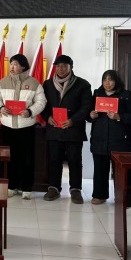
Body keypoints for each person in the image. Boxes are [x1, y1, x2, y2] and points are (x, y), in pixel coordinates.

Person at [0, 54, 46, 200]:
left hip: (26, 127)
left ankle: (27, 188)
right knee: (11, 158)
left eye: (15, 64)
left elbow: (41, 102)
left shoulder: (34, 83)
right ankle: (12, 186)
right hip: (7, 126)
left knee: (27, 158)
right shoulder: (2, 82)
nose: (12, 67)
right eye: (11, 64)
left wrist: (30, 111)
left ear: (23, 66)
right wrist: (0, 108)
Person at [42, 55, 92, 204]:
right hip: (54, 128)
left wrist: (73, 120)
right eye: (58, 66)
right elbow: (42, 104)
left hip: (73, 129)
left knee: (74, 160)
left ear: (71, 67)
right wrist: (47, 117)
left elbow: (86, 107)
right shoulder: (48, 84)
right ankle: (54, 188)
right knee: (54, 159)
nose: (60, 69)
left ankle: (75, 189)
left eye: (64, 66)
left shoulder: (82, 84)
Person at [88, 70, 131, 204]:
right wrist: (91, 115)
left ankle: (121, 197)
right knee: (100, 169)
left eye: (110, 80)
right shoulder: (97, 94)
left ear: (116, 81)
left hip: (119, 140)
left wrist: (119, 117)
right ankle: (99, 195)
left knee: (119, 171)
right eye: (105, 80)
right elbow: (88, 114)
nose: (107, 83)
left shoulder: (125, 95)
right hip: (99, 138)